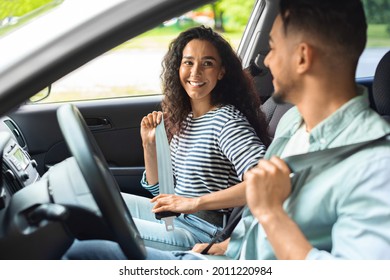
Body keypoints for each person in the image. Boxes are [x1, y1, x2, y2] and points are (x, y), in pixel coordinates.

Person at [63, 0, 390, 260]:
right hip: (219, 251)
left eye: (272, 47)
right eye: (187, 62)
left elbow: (262, 204)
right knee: (79, 225)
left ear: (302, 57)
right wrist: (224, 247)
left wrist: (266, 214)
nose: (266, 61)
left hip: (211, 240)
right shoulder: (294, 125)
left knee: (80, 247)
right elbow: (247, 222)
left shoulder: (375, 166)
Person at [120, 25, 270, 251]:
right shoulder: (186, 119)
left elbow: (264, 183)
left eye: (207, 63)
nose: (195, 72)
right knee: (94, 205)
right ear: (178, 67)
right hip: (176, 218)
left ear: (221, 72)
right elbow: (161, 193)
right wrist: (149, 144)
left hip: (204, 232)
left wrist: (193, 203)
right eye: (188, 62)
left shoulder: (226, 121)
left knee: (101, 225)